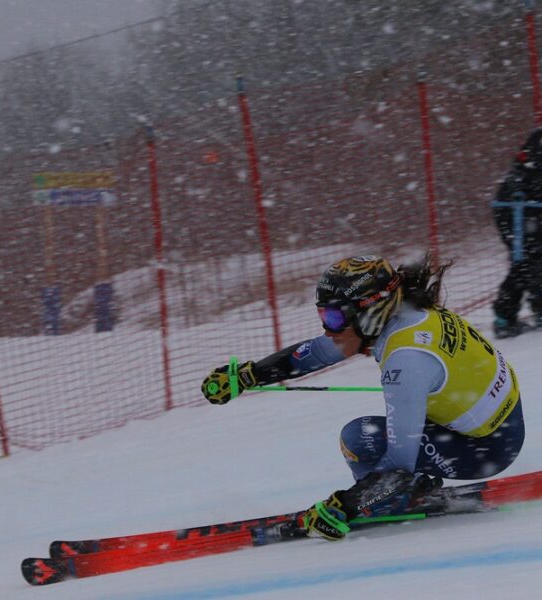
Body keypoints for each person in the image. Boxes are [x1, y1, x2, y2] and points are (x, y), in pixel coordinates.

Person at [201, 255, 525, 541]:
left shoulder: (406, 360)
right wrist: (249, 375)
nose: (328, 329)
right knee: (373, 435)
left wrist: (344, 506)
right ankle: (406, 491)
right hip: (499, 422)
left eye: (334, 319)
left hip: (487, 448)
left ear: (370, 311)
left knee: (360, 439)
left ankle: (395, 502)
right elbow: (316, 353)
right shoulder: (408, 309)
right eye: (323, 316)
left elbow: (399, 463)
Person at [492, 128, 542, 338]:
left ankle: (505, 316)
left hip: (521, 224)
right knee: (529, 266)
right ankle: (508, 316)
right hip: (524, 223)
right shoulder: (530, 166)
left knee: (522, 267)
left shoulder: (523, 166)